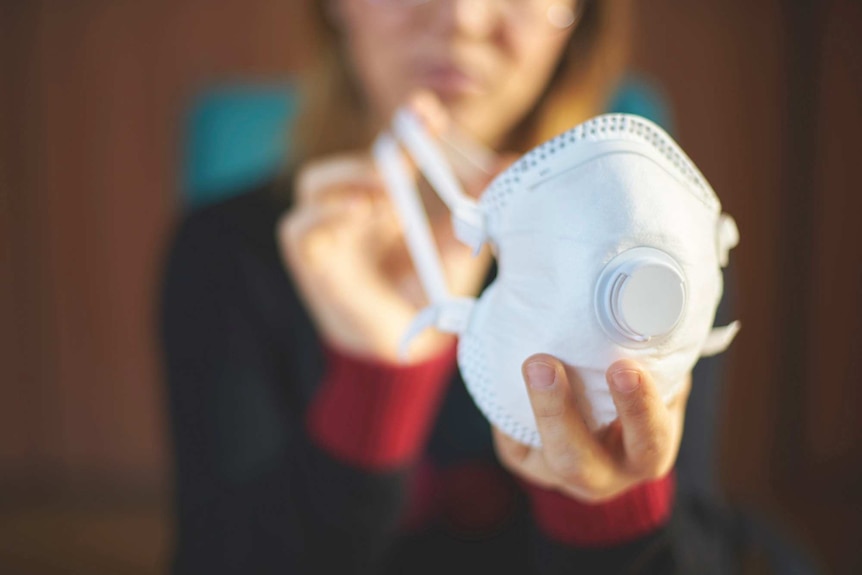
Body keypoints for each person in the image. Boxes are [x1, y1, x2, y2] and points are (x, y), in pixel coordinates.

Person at [160, 0, 740, 573]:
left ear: (579, 17)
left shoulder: (662, 259)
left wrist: (609, 504)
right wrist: (375, 379)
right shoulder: (224, 256)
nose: (464, 16)